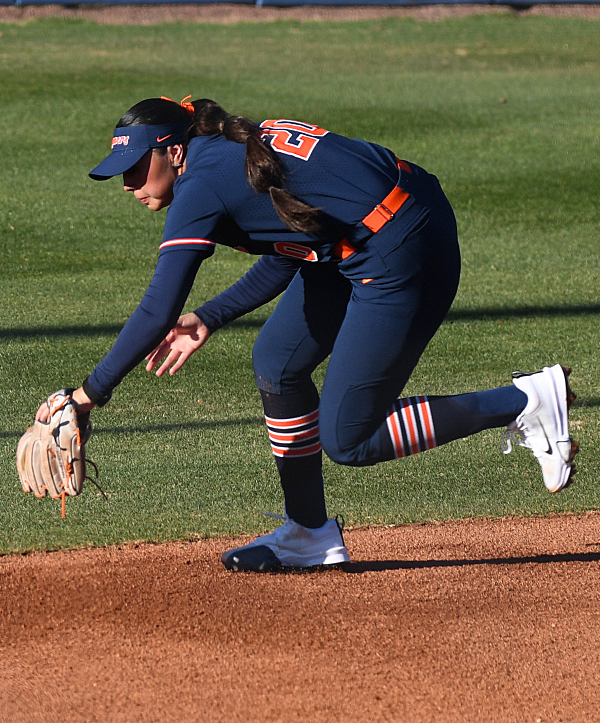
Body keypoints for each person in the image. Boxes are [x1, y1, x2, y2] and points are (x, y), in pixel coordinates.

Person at [36, 96, 577, 572]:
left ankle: (523, 401)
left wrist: (85, 397)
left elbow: (158, 309)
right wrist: (211, 316)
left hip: (401, 246)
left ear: (173, 151)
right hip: (380, 226)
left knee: (349, 438)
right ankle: (309, 535)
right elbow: (295, 244)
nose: (129, 184)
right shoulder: (223, 155)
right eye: (120, 174)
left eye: (136, 168)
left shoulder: (203, 183)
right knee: (277, 361)